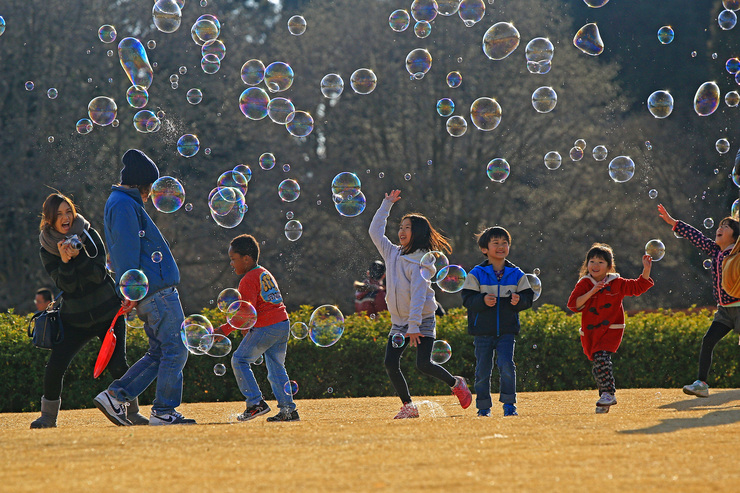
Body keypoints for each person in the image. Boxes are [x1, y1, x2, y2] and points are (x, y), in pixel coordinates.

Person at [93, 149, 194, 426]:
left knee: (160, 352)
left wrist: (131, 291)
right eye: (151, 187)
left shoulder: (122, 202)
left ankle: (116, 396)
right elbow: (127, 252)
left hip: (150, 291)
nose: (152, 193)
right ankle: (163, 411)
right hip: (156, 292)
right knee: (176, 349)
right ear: (143, 184)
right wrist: (130, 291)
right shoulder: (124, 204)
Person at [32, 193, 138, 428]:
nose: (65, 217)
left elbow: (99, 273)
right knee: (55, 366)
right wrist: (64, 261)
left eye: (68, 211)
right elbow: (65, 286)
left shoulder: (88, 233)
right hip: (74, 320)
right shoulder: (46, 249)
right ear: (50, 219)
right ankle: (48, 417)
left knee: (118, 364)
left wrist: (77, 257)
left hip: (107, 313)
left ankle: (132, 413)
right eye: (58, 214)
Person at [369, 189, 472, 419]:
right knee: (390, 363)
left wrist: (414, 326)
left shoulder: (420, 262)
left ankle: (456, 383)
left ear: (418, 233)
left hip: (421, 319)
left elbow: (418, 295)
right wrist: (386, 205)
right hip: (399, 323)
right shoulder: (392, 253)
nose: (402, 231)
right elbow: (374, 231)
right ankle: (408, 406)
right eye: (401, 227)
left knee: (423, 364)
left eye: (407, 227)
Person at [658, 204, 740, 398]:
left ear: (736, 237)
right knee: (708, 340)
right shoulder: (715, 251)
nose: (719, 228)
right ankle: (701, 383)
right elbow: (697, 237)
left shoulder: (737, 253)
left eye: (726, 226)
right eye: (720, 226)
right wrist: (674, 223)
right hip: (724, 310)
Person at [216, 234, 299, 422]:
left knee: (239, 360)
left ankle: (255, 403)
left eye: (233, 259)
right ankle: (288, 410)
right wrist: (247, 331)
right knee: (276, 367)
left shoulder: (248, 279)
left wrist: (224, 330)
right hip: (282, 324)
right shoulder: (263, 272)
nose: (231, 264)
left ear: (246, 259)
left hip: (267, 326)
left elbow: (245, 312)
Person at [567, 243, 653, 414]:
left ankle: (608, 393)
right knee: (598, 364)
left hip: (611, 330)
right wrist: (592, 291)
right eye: (592, 261)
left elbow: (637, 287)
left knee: (602, 357)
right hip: (591, 332)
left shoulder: (616, 282)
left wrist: (646, 269)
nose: (595, 266)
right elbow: (573, 305)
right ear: (587, 264)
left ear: (609, 266)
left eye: (600, 262)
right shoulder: (584, 283)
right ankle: (604, 402)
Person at [460, 226, 535, 417]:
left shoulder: (517, 274)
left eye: (505, 243)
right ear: (484, 248)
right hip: (482, 332)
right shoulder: (476, 273)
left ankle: (509, 405)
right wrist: (482, 300)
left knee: (507, 366)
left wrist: (520, 301)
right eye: (496, 243)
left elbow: (528, 298)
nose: (501, 247)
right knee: (483, 370)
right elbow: (467, 300)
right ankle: (483, 407)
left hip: (507, 331)